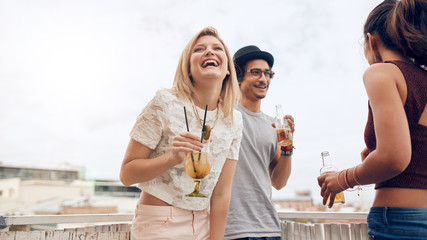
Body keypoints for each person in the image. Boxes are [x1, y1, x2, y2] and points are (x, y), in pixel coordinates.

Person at [120, 27, 243, 240]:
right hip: (159, 222)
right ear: (188, 67)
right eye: (199, 49)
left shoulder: (234, 119)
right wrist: (172, 158)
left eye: (217, 48)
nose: (209, 52)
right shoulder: (164, 103)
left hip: (204, 223)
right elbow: (127, 175)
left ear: (228, 69)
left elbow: (222, 193)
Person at [317, 0, 427, 239]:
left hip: (401, 221)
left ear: (372, 40)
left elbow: (394, 157)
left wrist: (342, 179)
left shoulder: (383, 72)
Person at [224, 45, 295, 240]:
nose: (263, 79)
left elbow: (279, 182)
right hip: (230, 230)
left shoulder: (273, 125)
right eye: (255, 72)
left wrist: (287, 147)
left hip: (269, 230)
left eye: (267, 74)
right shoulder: (222, 115)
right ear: (238, 76)